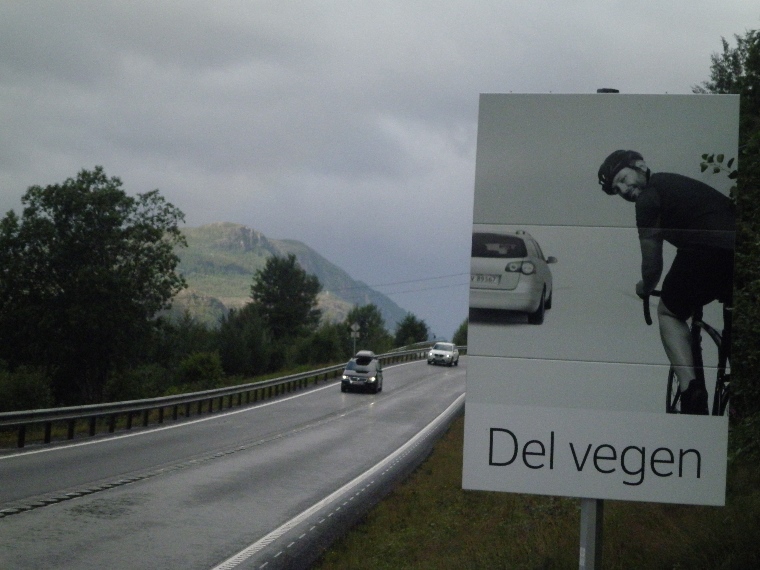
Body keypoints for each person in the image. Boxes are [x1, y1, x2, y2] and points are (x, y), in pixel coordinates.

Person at [598, 150, 735, 414]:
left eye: (623, 180)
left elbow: (652, 263)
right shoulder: (672, 183)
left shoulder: (648, 198)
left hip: (703, 252)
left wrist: (646, 287)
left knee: (669, 313)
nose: (624, 190)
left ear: (640, 166)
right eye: (617, 190)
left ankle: (691, 391)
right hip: (739, 251)